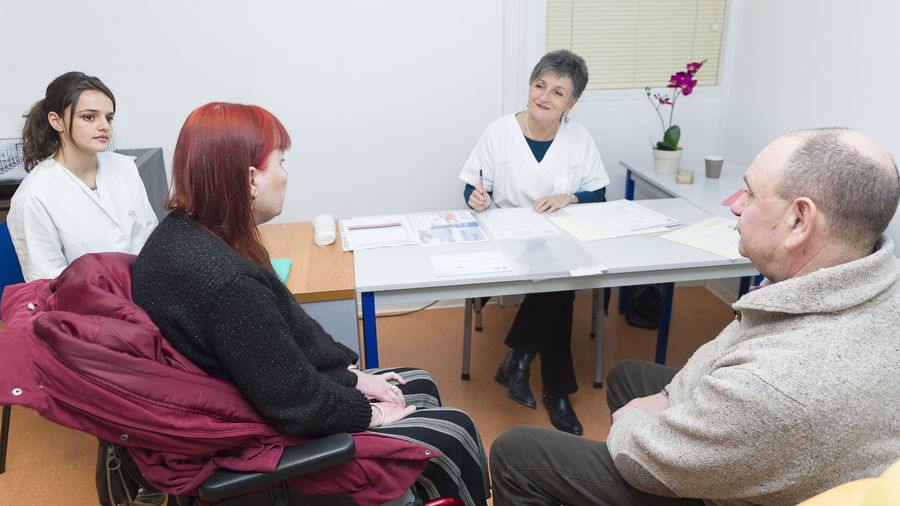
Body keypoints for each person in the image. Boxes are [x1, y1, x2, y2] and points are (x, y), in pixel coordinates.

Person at [489, 128, 900, 505]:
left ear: (798, 220)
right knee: (627, 375)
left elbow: (643, 456)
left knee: (515, 453)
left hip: (729, 480)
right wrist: (668, 398)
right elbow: (733, 344)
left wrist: (632, 423)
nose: (737, 206)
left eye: (750, 194)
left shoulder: (776, 387)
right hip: (782, 451)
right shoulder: (867, 275)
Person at [131, 102, 490, 506]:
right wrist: (370, 413)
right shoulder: (228, 284)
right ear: (251, 179)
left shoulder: (180, 234)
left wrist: (354, 377)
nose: (286, 175)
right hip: (273, 438)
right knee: (454, 431)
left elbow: (281, 346)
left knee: (418, 383)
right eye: (281, 163)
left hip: (253, 400)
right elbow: (296, 404)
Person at [458, 49, 609, 435]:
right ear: (529, 87)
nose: (544, 96)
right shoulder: (499, 132)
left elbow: (599, 194)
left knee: (558, 283)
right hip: (506, 240)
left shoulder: (579, 138)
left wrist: (569, 197)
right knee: (561, 290)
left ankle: (520, 360)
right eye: (539, 85)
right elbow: (474, 187)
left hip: (557, 239)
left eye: (558, 92)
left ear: (571, 103)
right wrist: (475, 198)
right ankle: (555, 391)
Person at [8, 71, 158, 282]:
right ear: (56, 121)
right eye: (89, 117)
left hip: (147, 293)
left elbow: (152, 240)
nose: (104, 125)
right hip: (86, 309)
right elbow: (47, 283)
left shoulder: (125, 168)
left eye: (109, 118)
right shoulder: (34, 196)